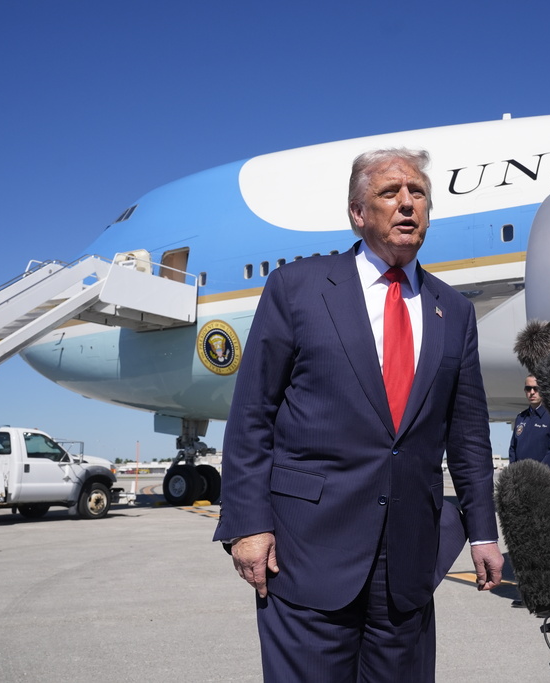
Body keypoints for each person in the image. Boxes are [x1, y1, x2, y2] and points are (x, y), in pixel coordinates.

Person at [213, 148, 503, 682]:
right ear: (357, 212)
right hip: (305, 550)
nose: (407, 204)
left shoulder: (452, 311)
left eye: (418, 193)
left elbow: (467, 434)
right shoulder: (298, 289)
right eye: (390, 193)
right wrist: (248, 524)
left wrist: (483, 531)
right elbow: (253, 414)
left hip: (409, 560)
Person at [508, 375, 550, 475]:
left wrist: (538, 476)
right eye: (528, 388)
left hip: (544, 482)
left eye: (536, 388)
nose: (532, 392)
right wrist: (514, 473)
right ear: (525, 390)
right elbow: (513, 448)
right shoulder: (520, 418)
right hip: (520, 480)